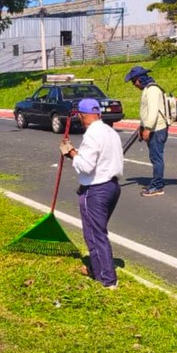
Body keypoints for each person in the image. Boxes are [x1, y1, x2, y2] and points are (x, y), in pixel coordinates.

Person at [59, 98, 123, 289]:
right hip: (112, 186)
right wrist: (76, 152)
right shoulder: (110, 132)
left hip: (96, 190)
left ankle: (107, 280)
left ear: (82, 115)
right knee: (98, 231)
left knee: (95, 234)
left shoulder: (92, 135)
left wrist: (70, 153)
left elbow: (85, 166)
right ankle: (97, 269)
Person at [124, 65, 168, 198]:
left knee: (156, 158)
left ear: (139, 80)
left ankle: (157, 186)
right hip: (152, 128)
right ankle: (155, 183)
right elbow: (146, 111)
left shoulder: (153, 90)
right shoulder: (147, 90)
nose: (134, 85)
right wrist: (142, 127)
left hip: (157, 129)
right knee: (154, 157)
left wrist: (147, 128)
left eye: (133, 81)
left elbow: (153, 112)